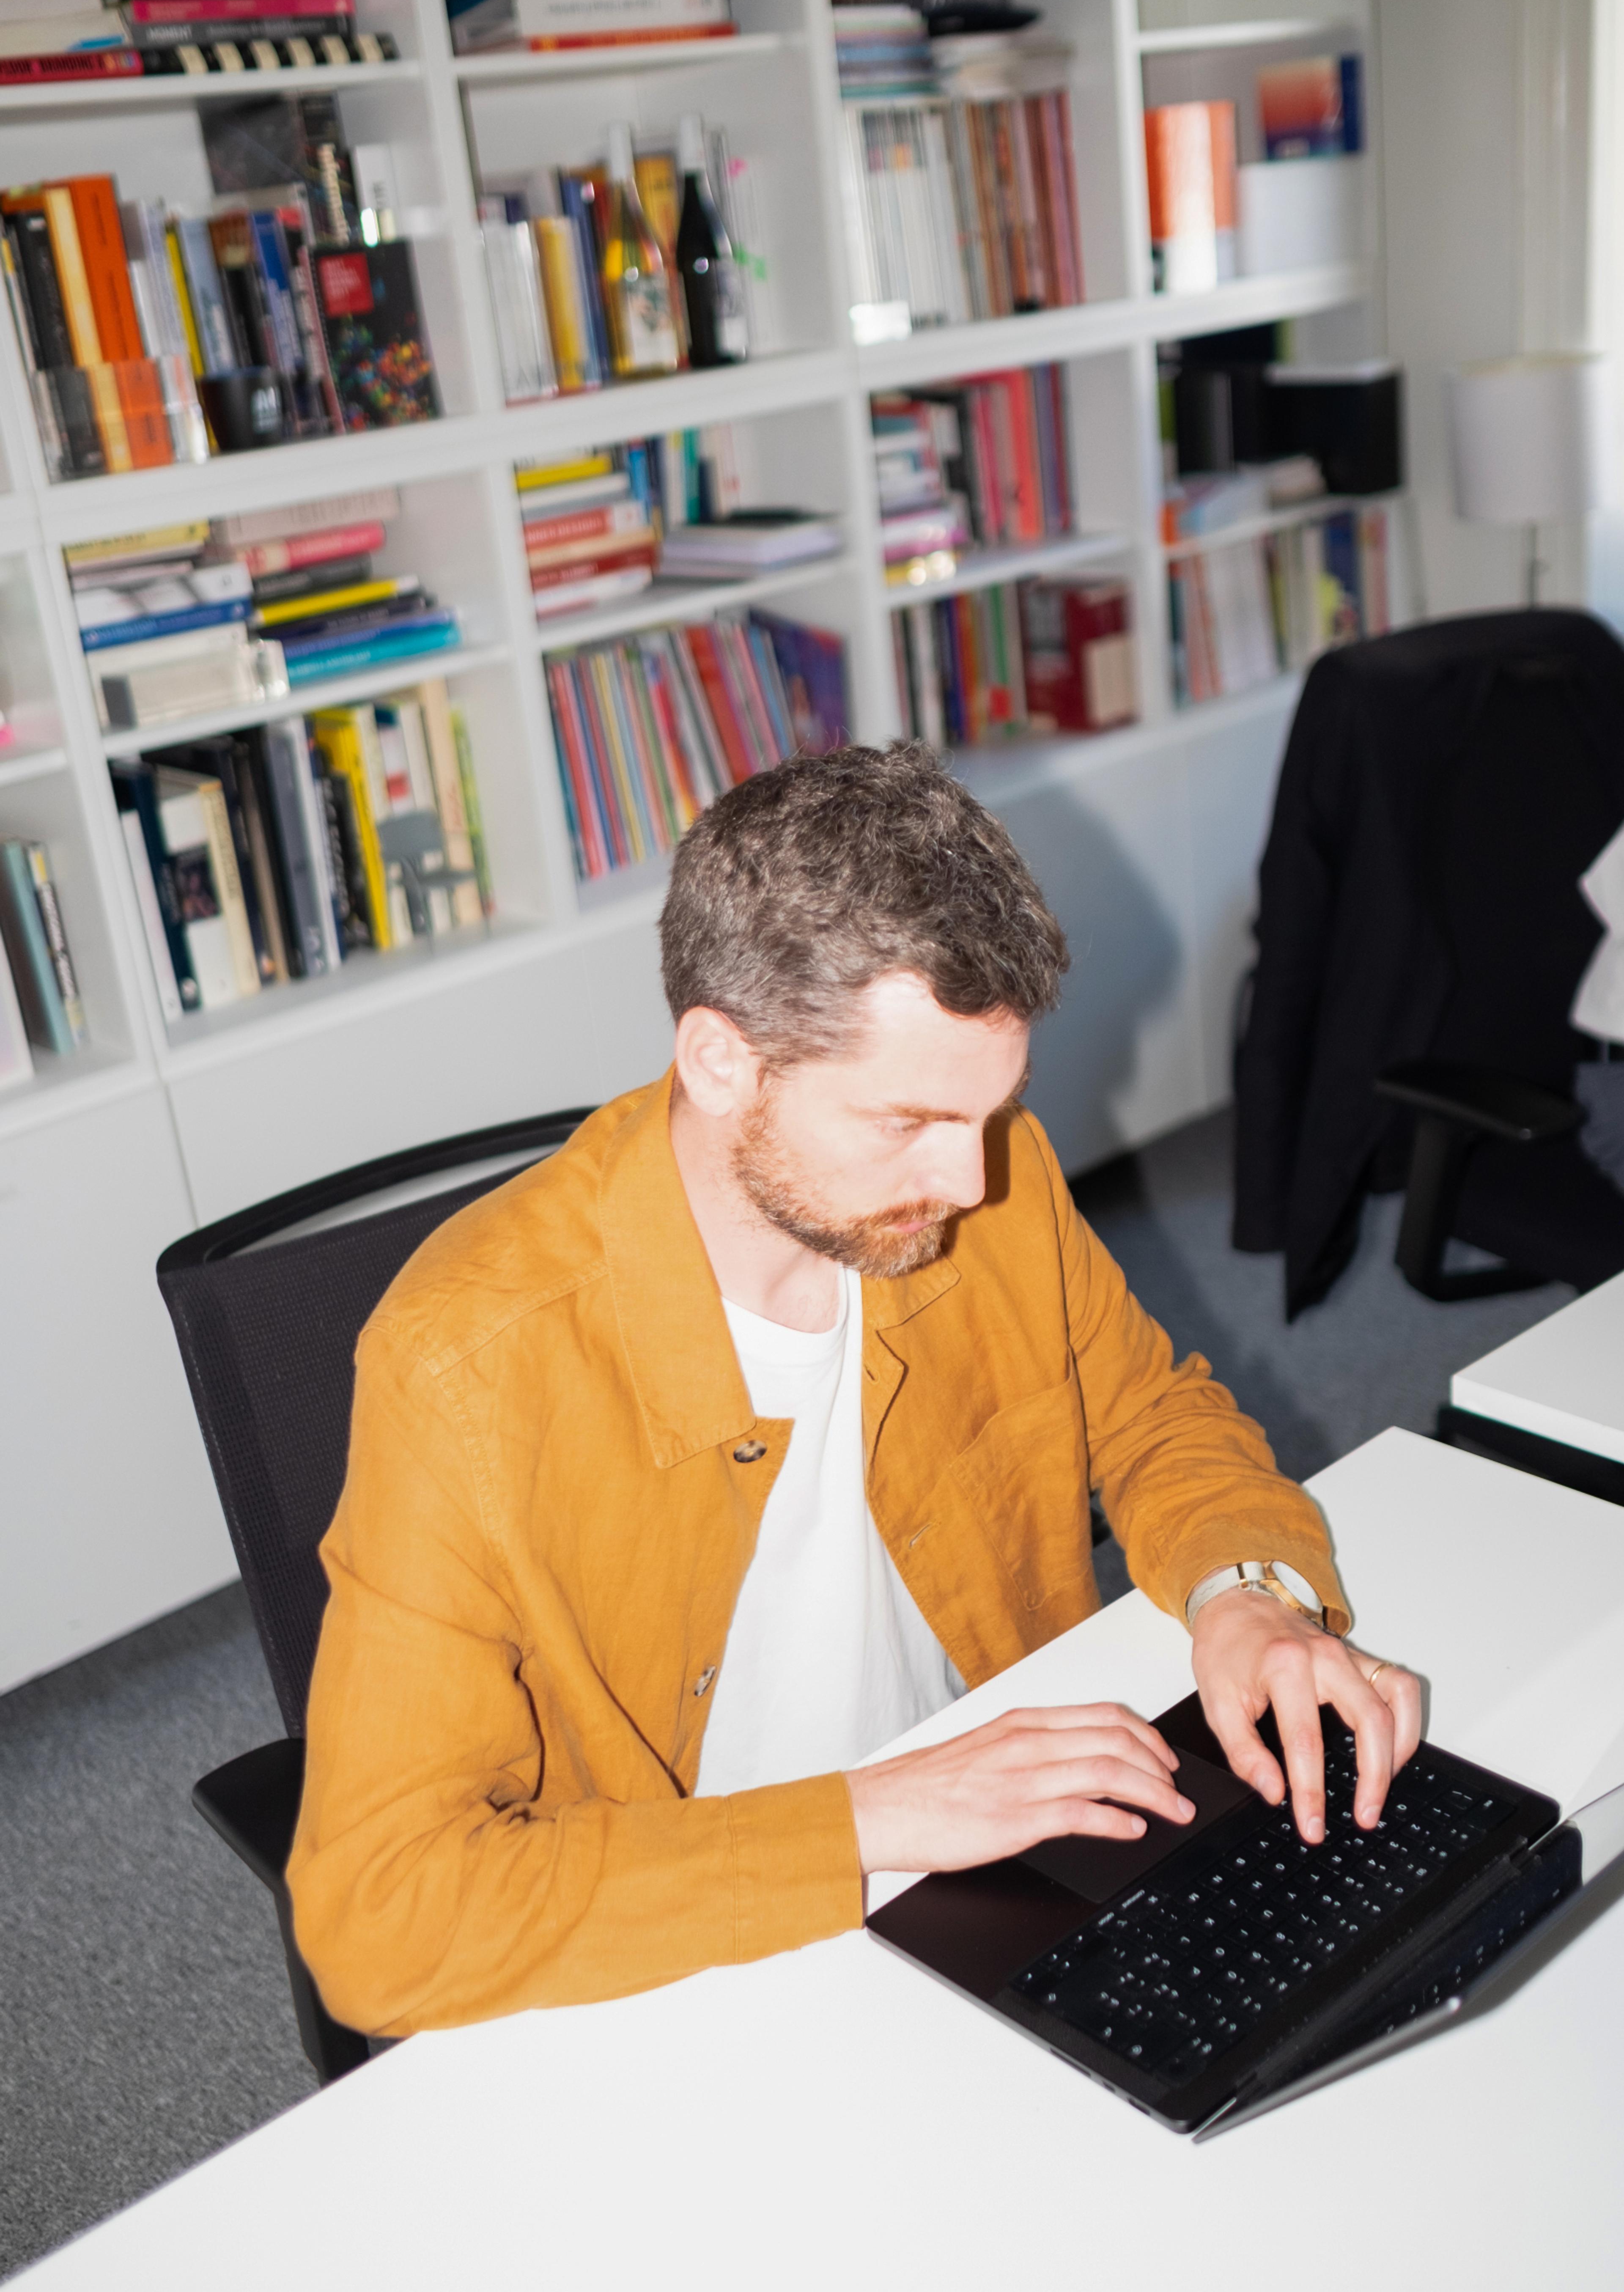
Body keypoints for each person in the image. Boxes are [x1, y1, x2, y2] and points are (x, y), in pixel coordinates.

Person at [288, 742, 1421, 2035]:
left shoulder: (986, 1174)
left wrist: (1245, 1597)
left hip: (1008, 1858)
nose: (973, 1182)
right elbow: (381, 1916)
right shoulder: (467, 1368)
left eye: (991, 1113)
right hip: (699, 1932)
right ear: (721, 1063)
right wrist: (880, 1816)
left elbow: (1152, 1412)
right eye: (905, 1123)